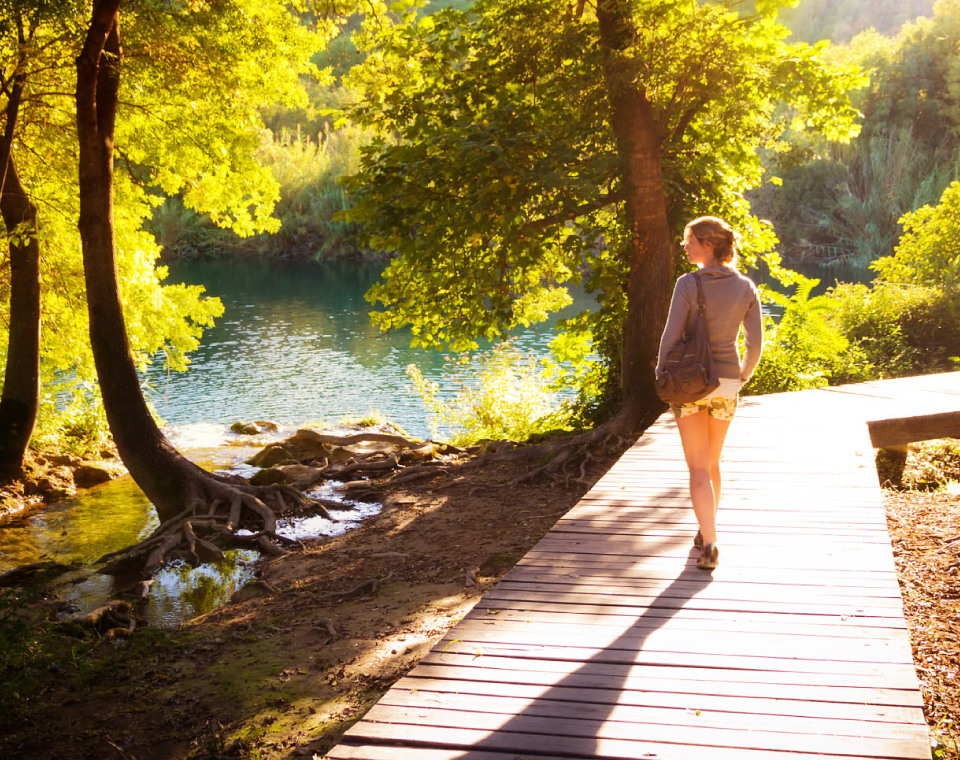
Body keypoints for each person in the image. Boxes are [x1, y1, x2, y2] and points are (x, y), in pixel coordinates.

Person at [655, 216, 763, 570]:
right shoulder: (746, 286)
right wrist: (742, 376)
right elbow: (754, 343)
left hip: (690, 384)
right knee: (712, 463)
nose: (685, 246)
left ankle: (711, 544)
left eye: (690, 241)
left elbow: (671, 337)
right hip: (727, 384)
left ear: (708, 245)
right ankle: (706, 532)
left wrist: (660, 372)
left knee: (698, 468)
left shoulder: (687, 284)